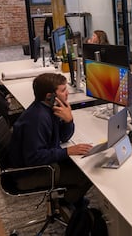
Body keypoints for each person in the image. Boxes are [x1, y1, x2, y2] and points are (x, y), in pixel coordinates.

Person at [9, 73, 93, 207]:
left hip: (39, 163)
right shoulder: (38, 118)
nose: (67, 93)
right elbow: (34, 158)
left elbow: (63, 137)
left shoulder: (47, 108)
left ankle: (69, 199)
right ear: (50, 96)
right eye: (63, 90)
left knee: (83, 162)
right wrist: (67, 152)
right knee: (88, 173)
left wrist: (68, 120)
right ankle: (67, 203)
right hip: (29, 173)